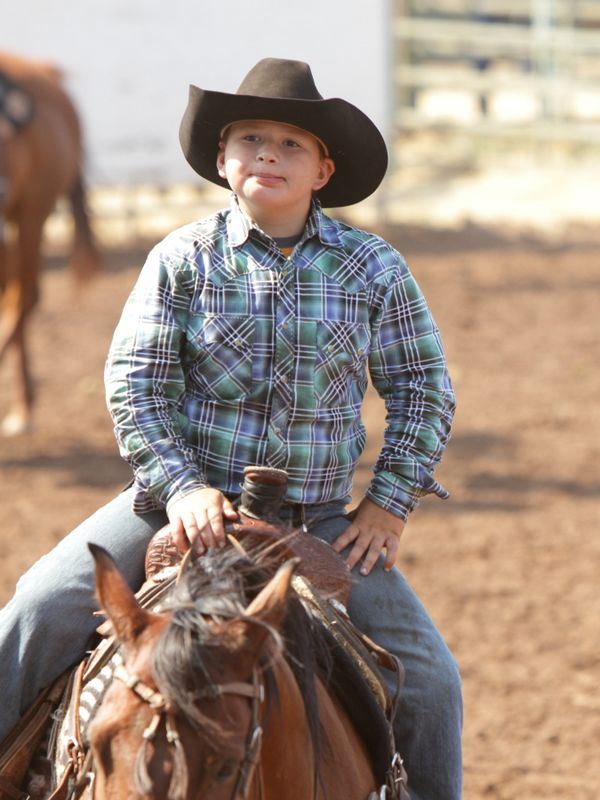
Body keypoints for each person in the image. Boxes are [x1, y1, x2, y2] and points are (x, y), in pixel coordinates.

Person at [0, 58, 461, 799]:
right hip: (176, 508)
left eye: (291, 144)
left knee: (432, 680)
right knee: (34, 610)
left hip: (320, 519)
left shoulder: (373, 268)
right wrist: (182, 488)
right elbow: (136, 384)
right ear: (223, 159)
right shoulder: (181, 260)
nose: (268, 154)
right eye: (251, 138)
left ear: (323, 170)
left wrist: (388, 503)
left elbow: (423, 387)